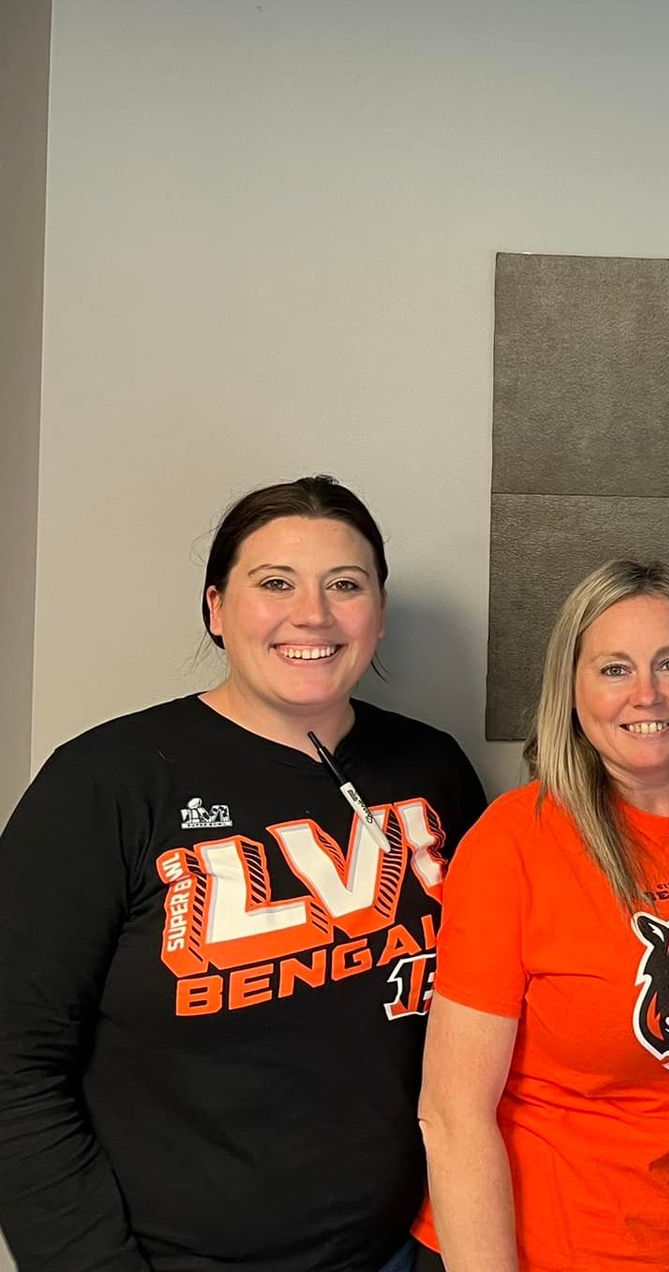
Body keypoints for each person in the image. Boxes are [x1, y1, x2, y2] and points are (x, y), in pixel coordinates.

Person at [0, 475, 487, 1272]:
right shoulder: (105, 782)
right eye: (275, 584)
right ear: (216, 608)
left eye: (345, 585)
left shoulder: (432, 769)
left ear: (379, 613)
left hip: (400, 1250)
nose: (313, 615)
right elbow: (14, 1065)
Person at [414, 559, 669, 1272]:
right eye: (614, 669)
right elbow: (453, 1115)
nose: (646, 695)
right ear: (572, 689)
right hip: (550, 1246)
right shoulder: (515, 843)